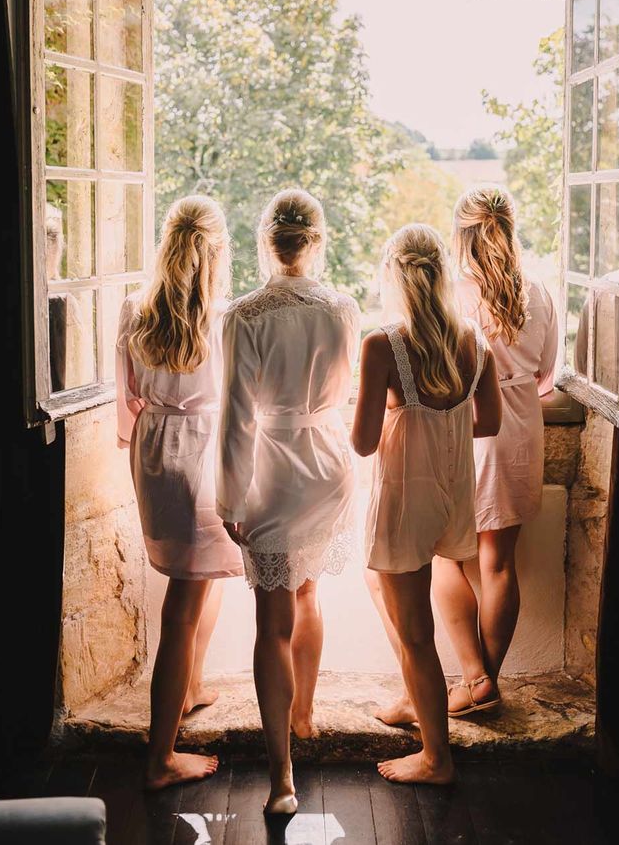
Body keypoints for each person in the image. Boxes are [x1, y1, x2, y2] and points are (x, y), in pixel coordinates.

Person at [217, 188, 360, 815]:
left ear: (267, 243)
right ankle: (302, 716)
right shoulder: (343, 307)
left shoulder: (245, 316)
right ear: (316, 241)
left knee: (271, 623)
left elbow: (236, 418)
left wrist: (228, 497)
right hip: (328, 464)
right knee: (307, 593)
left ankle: (282, 779)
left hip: (276, 466)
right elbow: (346, 385)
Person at [352, 223, 501, 785]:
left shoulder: (382, 344)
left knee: (415, 630)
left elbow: (363, 442)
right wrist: (441, 419)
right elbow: (487, 422)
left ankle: (437, 757)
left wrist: (399, 414)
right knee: (383, 591)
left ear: (394, 276)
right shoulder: (473, 343)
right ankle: (418, 695)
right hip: (451, 495)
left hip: (404, 500)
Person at [116, 195, 243, 790]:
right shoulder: (223, 317)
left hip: (154, 450)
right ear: (217, 250)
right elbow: (240, 398)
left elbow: (127, 406)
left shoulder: (133, 310)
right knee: (181, 605)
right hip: (203, 449)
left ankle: (190, 685)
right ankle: (159, 757)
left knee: (201, 574)